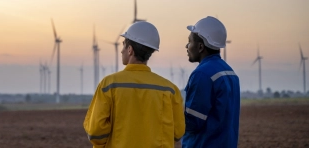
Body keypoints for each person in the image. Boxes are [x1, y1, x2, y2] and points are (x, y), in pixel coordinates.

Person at [83, 21, 185, 148]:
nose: (121, 51)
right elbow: (177, 132)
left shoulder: (109, 85)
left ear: (130, 50)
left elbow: (95, 132)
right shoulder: (170, 89)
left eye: (123, 46)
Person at [182, 16, 240, 148]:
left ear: (201, 46)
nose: (187, 46)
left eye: (189, 41)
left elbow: (193, 122)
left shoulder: (202, 74)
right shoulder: (231, 73)